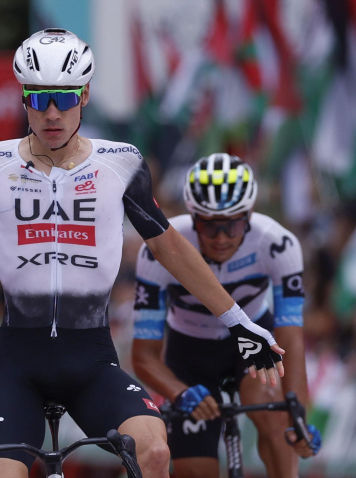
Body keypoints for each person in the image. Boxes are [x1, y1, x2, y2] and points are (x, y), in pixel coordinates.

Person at [0, 29, 283, 478]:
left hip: (92, 360)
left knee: (155, 452)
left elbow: (171, 249)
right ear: (22, 97)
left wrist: (239, 322)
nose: (50, 113)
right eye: (37, 97)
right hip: (19, 363)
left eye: (63, 99)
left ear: (84, 96)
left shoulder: (121, 161)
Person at [131, 153, 320, 478]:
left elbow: (291, 337)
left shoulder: (277, 243)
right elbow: (143, 356)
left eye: (232, 224)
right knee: (196, 470)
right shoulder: (159, 248)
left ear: (248, 216)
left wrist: (297, 414)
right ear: (193, 217)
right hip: (188, 351)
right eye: (208, 225)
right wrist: (180, 391)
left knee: (275, 417)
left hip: (254, 341)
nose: (221, 237)